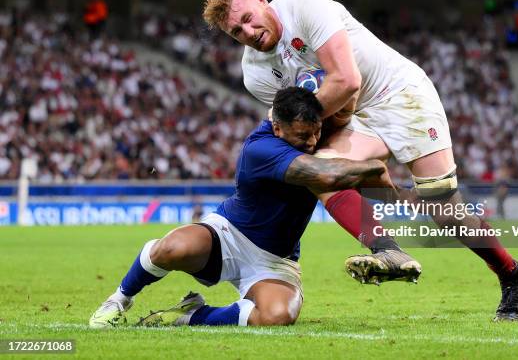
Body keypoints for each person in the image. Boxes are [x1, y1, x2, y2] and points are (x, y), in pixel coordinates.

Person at [202, 0, 518, 321]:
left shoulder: (305, 5)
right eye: (236, 31)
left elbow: (347, 81)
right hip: (353, 117)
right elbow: (302, 121)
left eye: (248, 19)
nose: (248, 32)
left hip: (400, 96)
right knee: (323, 173)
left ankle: (510, 274)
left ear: (260, 0)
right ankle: (389, 252)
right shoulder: (255, 74)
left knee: (445, 211)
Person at [89, 87, 397, 328]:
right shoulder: (261, 148)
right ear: (278, 128)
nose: (312, 141)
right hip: (228, 235)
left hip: (275, 260)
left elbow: (342, 192)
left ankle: (193, 315)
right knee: (172, 248)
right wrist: (373, 165)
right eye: (303, 135)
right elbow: (328, 175)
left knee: (276, 316)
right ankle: (119, 300)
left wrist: (384, 237)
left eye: (316, 132)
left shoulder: (311, 143)